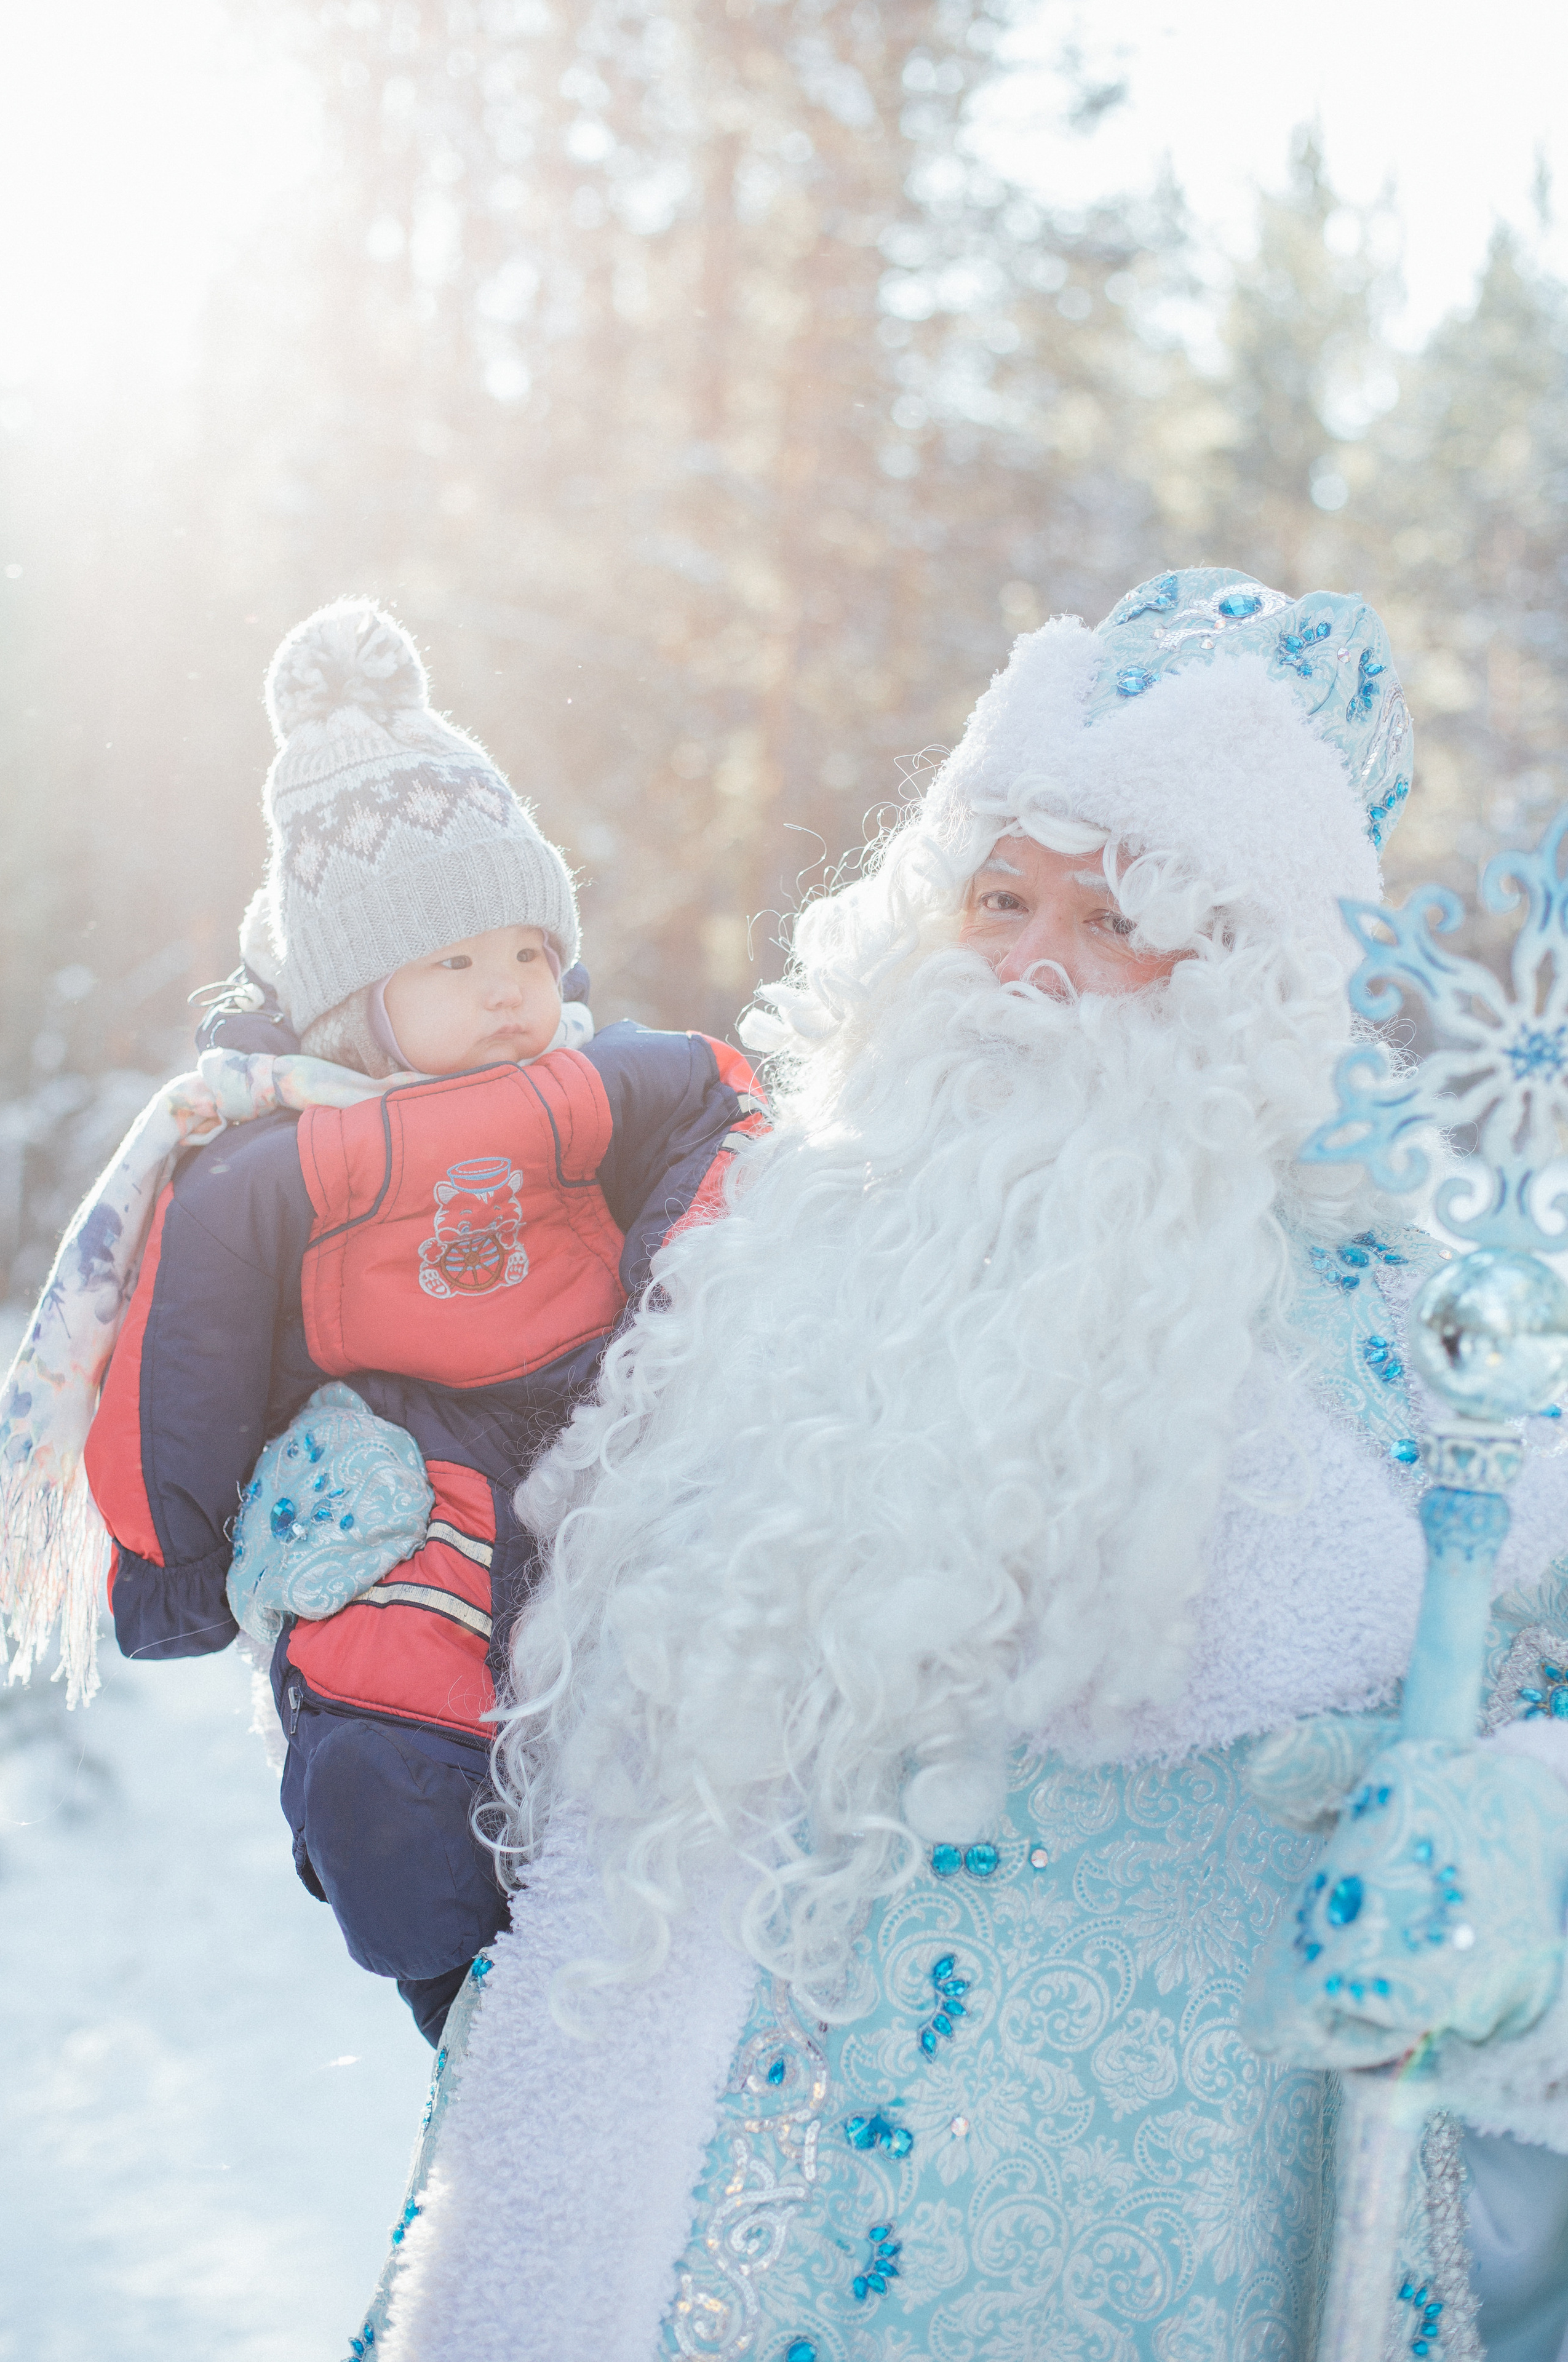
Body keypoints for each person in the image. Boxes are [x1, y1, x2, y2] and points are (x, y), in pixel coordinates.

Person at [359, 569, 1568, 2360]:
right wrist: (362, 1533)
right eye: (997, 898)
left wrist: (1519, 1870)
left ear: (1248, 981)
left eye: (1118, 918)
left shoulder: (1416, 1361)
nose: (1027, 969)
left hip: (1128, 2266)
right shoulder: (767, 1259)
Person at [79, 597, 765, 2045]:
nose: (509, 992)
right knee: (379, 1722)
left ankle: (716, 1927)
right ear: (353, 995)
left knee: (688, 1644)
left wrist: (675, 1306)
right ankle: (466, 2000)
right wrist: (174, 1560)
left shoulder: (586, 1077)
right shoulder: (279, 1152)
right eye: (452, 965)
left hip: (603, 1403)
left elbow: (725, 1101)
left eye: (524, 951)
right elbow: (181, 1350)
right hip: (415, 1443)